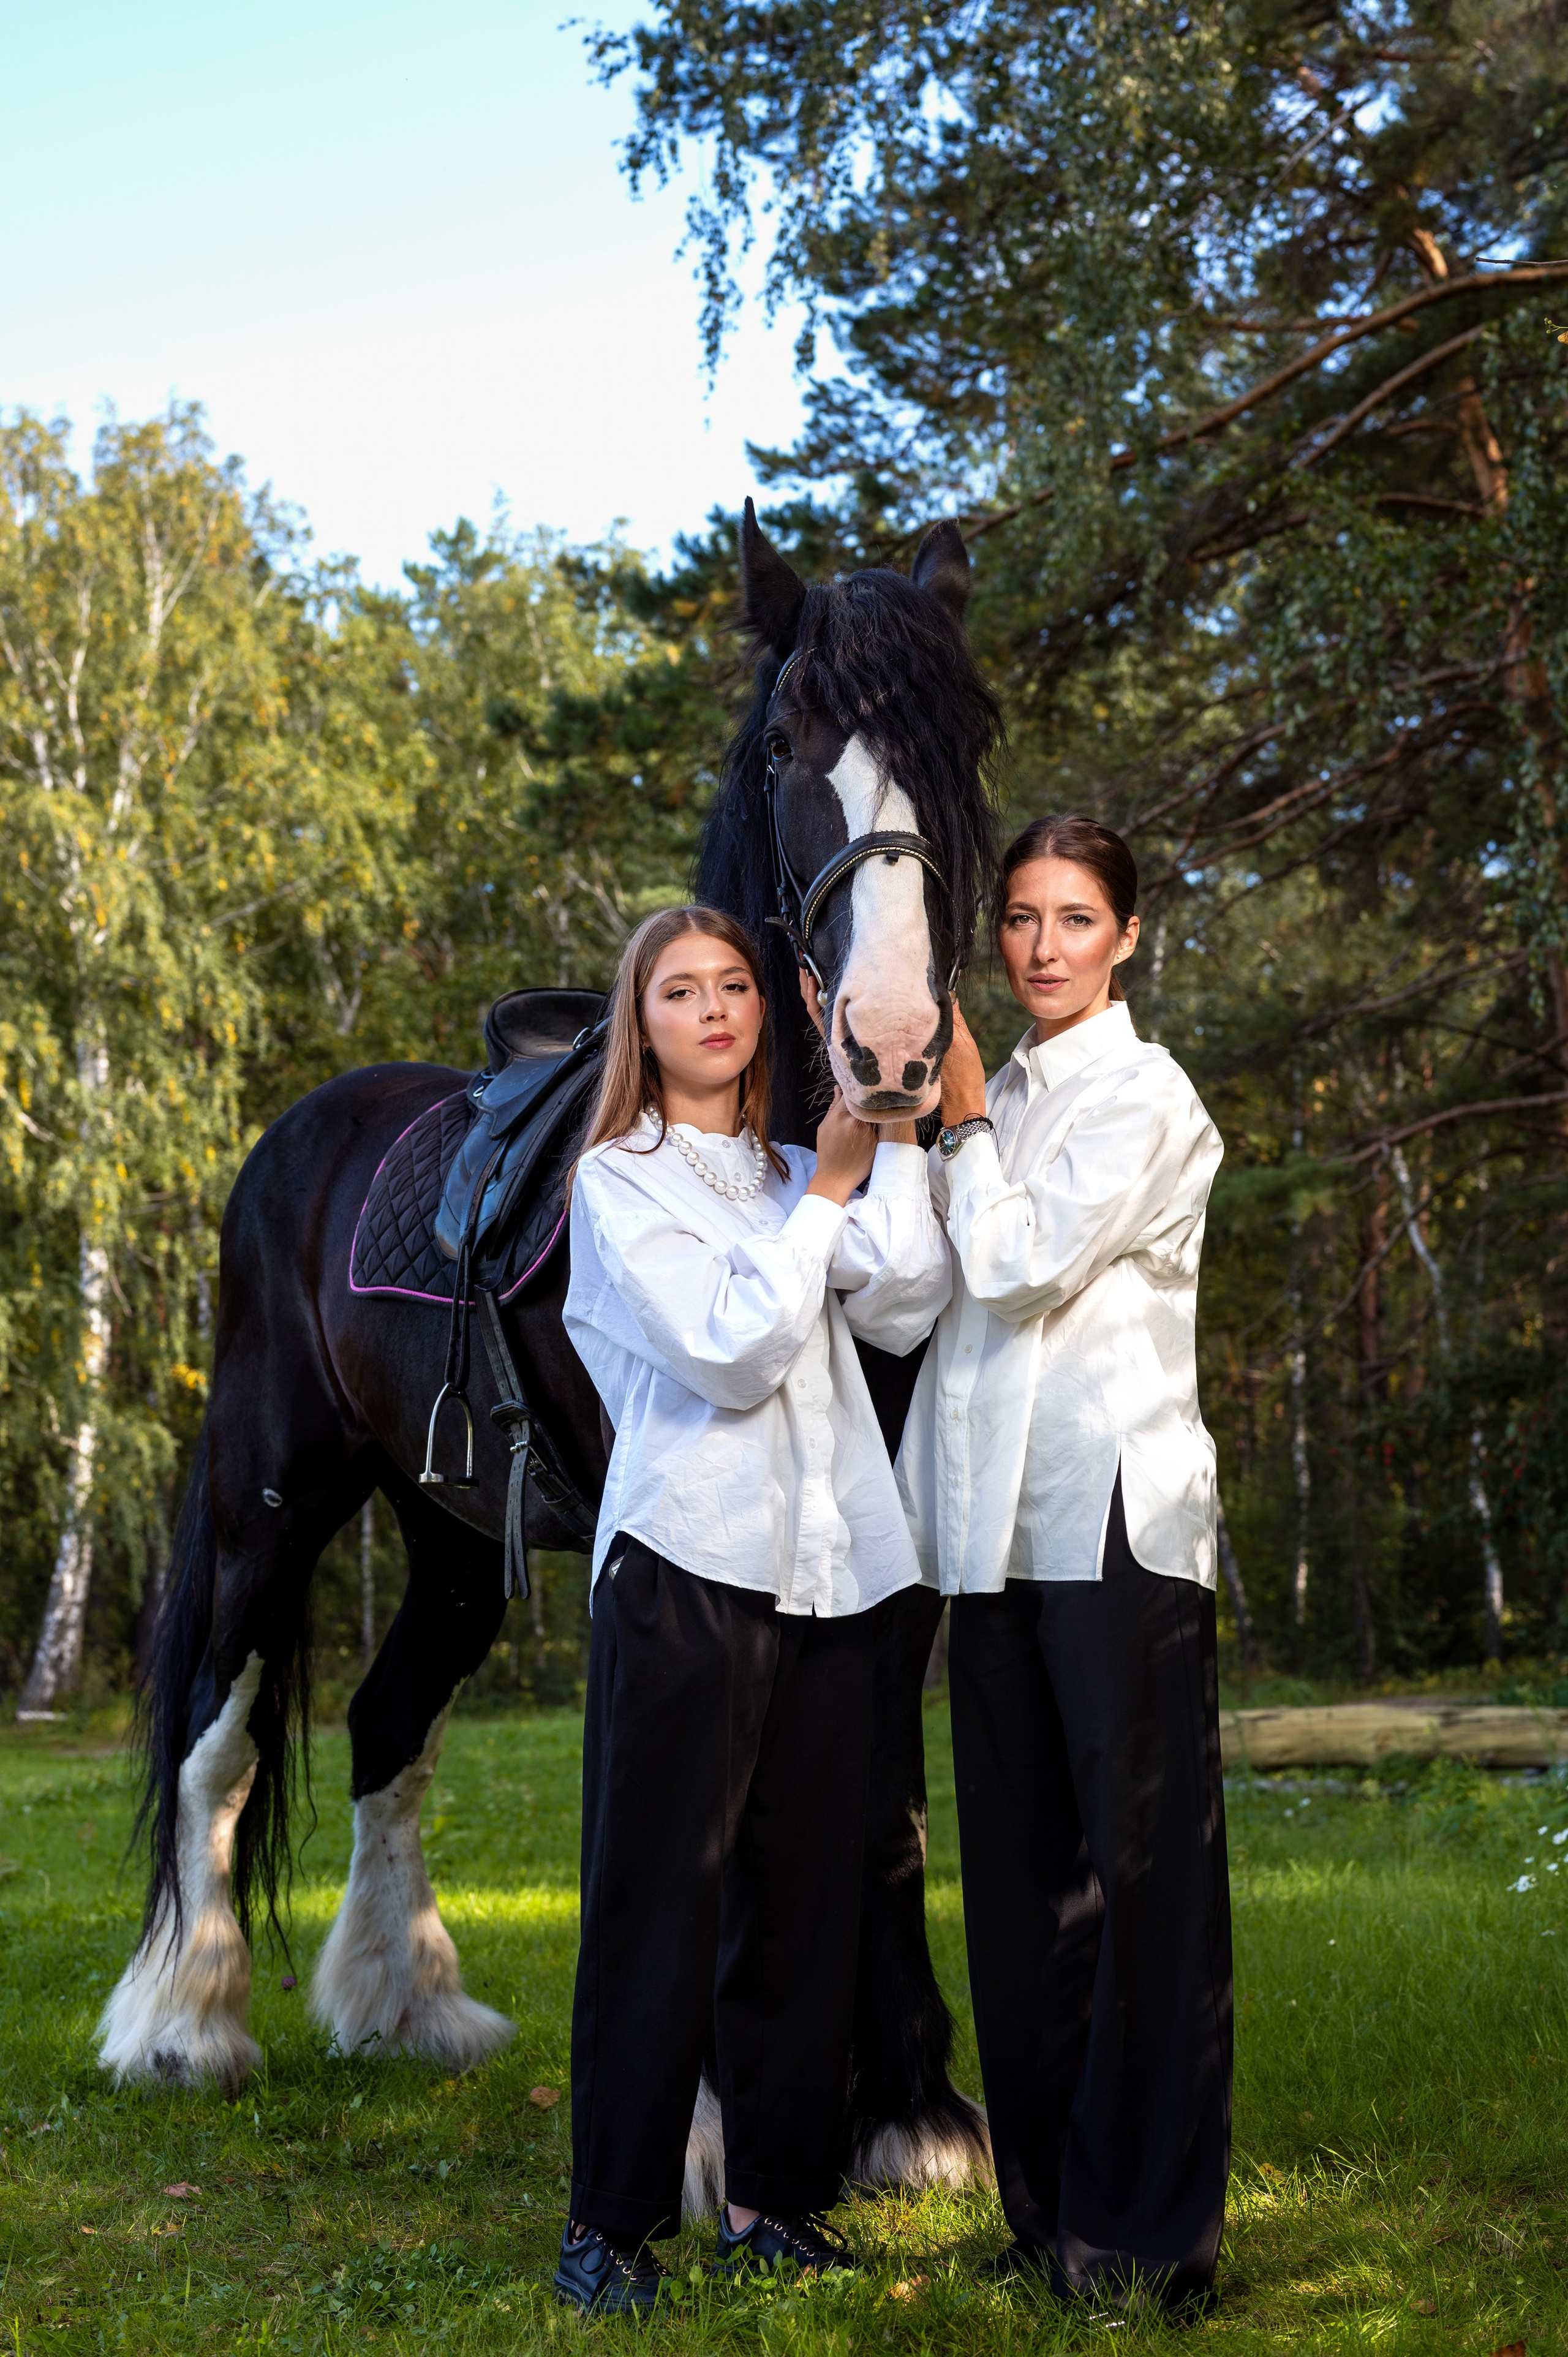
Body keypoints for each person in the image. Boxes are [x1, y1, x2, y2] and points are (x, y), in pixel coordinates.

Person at [556, 903, 951, 2315]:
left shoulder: (794, 1165)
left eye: (732, 984)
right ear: (640, 1020)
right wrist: (830, 1197)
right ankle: (606, 2230)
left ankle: (772, 2203)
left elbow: (904, 1302)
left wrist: (884, 1138)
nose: (713, 1008)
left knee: (804, 1901)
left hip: (833, 1572)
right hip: (686, 1569)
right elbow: (731, 1355)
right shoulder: (616, 1180)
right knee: (658, 1907)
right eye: (679, 990)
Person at [896, 815, 1231, 2314]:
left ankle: (1147, 2238)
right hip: (990, 1533)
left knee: (1144, 1891)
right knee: (1025, 1891)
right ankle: (1044, 2217)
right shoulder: (998, 1092)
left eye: (1075, 917)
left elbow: (1018, 1264)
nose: (1042, 945)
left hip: (1112, 1523)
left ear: (1126, 936)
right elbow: (930, 1296)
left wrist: (960, 1126)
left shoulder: (1141, 1094)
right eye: (1022, 917)